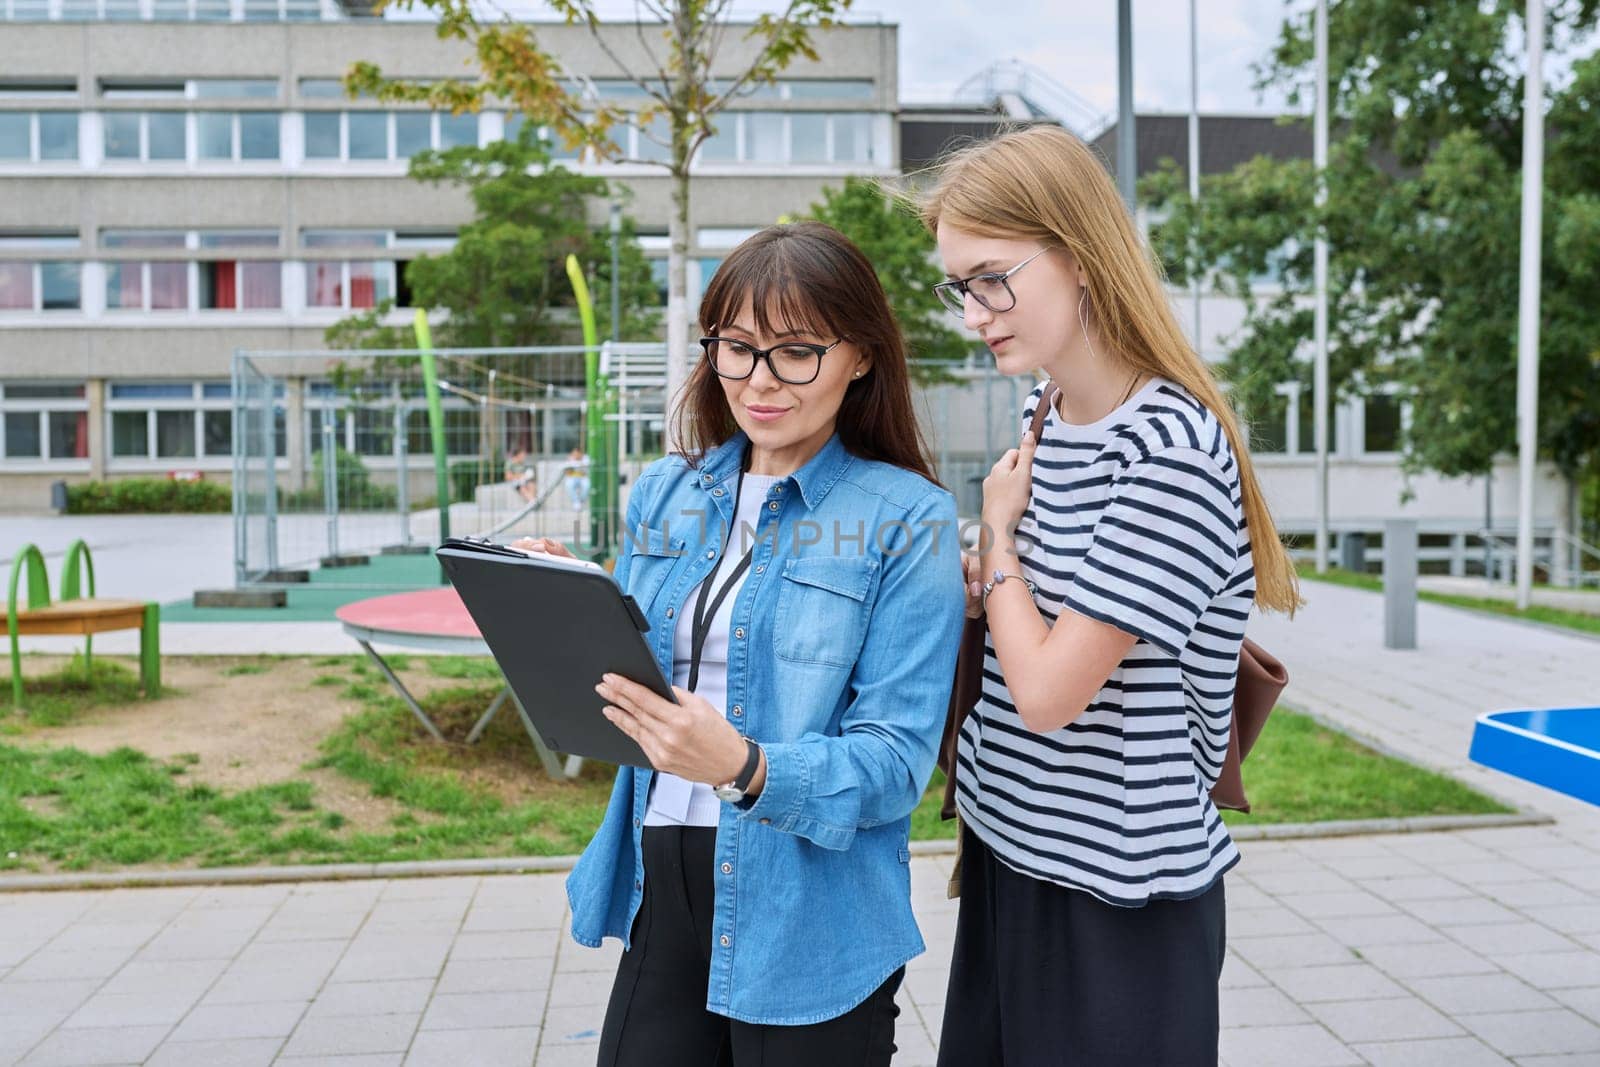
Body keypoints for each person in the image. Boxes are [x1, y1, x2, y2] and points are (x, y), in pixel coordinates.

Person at [922, 125, 1301, 1066]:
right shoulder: (1042, 410)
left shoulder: (1168, 450)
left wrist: (999, 538)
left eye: (991, 278)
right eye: (959, 286)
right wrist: (988, 577)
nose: (974, 312)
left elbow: (1050, 694)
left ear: (1080, 256)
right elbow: (1027, 618)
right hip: (1013, 850)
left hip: (1119, 899)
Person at [552, 221, 965, 1067]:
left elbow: (895, 764)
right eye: (736, 348)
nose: (759, 380)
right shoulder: (669, 488)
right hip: (659, 880)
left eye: (796, 351)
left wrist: (745, 765)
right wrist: (563, 606)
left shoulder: (906, 518)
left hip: (811, 909)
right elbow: (627, 683)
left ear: (861, 357)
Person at [564, 447, 591, 511]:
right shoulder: (570, 459)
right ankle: (576, 501)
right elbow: (567, 473)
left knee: (587, 486)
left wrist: (579, 463)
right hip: (572, 477)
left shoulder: (586, 459)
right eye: (574, 454)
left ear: (581, 454)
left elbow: (585, 472)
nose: (576, 456)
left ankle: (581, 501)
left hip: (583, 477)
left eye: (577, 454)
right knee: (568, 485)